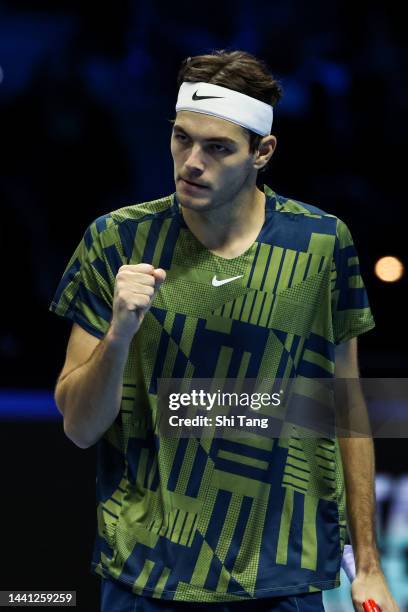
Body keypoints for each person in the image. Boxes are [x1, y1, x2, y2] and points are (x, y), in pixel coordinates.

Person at [49, 50, 398, 611]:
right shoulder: (116, 241)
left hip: (284, 575)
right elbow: (80, 428)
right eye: (182, 139)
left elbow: (347, 406)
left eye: (217, 148)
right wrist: (119, 334)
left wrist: (370, 567)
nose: (191, 162)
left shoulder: (322, 244)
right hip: (145, 574)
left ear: (263, 152)